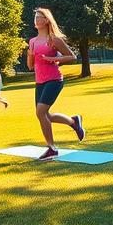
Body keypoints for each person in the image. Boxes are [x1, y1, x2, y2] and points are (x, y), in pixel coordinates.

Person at [27, 8, 83, 161]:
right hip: (40, 81)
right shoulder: (32, 41)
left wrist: (53, 60)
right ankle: (73, 122)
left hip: (54, 80)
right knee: (44, 115)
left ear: (46, 20)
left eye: (40, 17)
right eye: (36, 17)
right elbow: (30, 66)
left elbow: (72, 56)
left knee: (40, 112)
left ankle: (51, 148)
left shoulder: (54, 39)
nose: (36, 19)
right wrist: (30, 54)